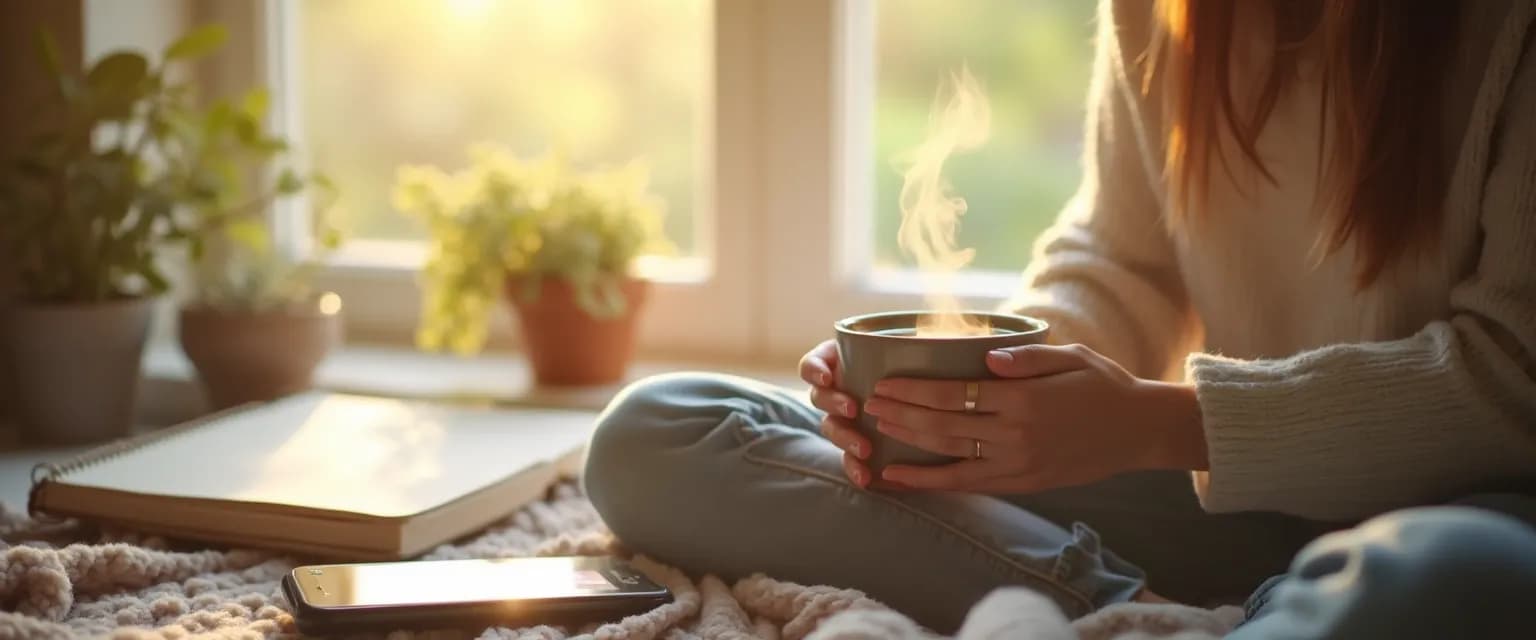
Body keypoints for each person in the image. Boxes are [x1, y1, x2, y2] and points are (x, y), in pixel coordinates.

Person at [583, 0, 1536, 636]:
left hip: (1457, 504)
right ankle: (1152, 616)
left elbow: (1513, 375)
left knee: (1458, 577)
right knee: (657, 433)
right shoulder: (1167, 15)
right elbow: (1118, 261)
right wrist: (977, 398)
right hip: (1229, 503)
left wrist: (1160, 422)